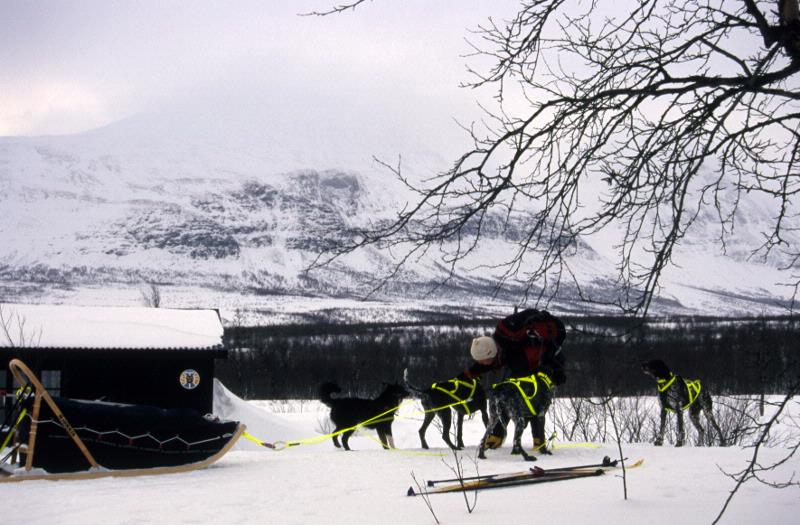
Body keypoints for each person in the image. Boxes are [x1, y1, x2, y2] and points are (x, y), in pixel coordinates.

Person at [460, 309, 566, 452]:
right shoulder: (501, 349)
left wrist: (558, 370)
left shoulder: (513, 335)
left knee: (536, 401)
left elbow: (553, 350)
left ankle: (538, 440)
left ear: (492, 353)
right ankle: (497, 435)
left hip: (545, 357)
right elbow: (485, 365)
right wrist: (465, 376)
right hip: (524, 363)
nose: (483, 364)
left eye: (484, 361)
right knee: (505, 395)